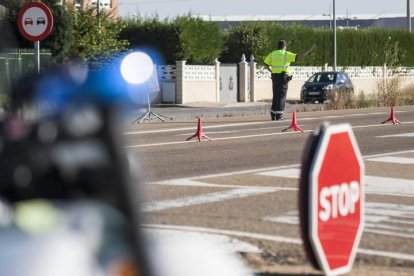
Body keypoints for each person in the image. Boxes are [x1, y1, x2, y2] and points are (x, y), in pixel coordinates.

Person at [264, 40, 316, 120]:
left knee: (276, 95)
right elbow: (298, 56)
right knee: (282, 96)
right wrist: (308, 50)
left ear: (278, 46)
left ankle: (273, 114)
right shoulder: (286, 54)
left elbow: (265, 64)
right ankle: (279, 115)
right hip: (283, 77)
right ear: (285, 47)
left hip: (274, 77)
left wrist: (271, 71)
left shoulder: (272, 54)